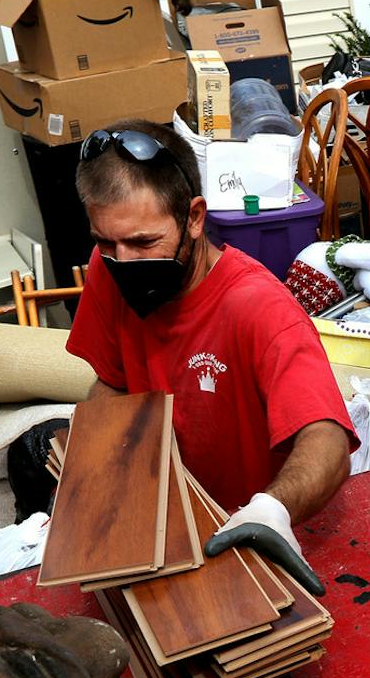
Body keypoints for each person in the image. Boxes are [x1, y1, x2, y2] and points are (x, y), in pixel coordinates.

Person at [66, 119, 353, 595]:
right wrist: (95, 473)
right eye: (105, 242)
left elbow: (327, 440)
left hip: (248, 539)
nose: (124, 260)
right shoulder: (111, 267)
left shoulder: (257, 307)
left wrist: (270, 511)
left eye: (144, 243)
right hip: (167, 529)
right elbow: (114, 382)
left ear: (195, 218)